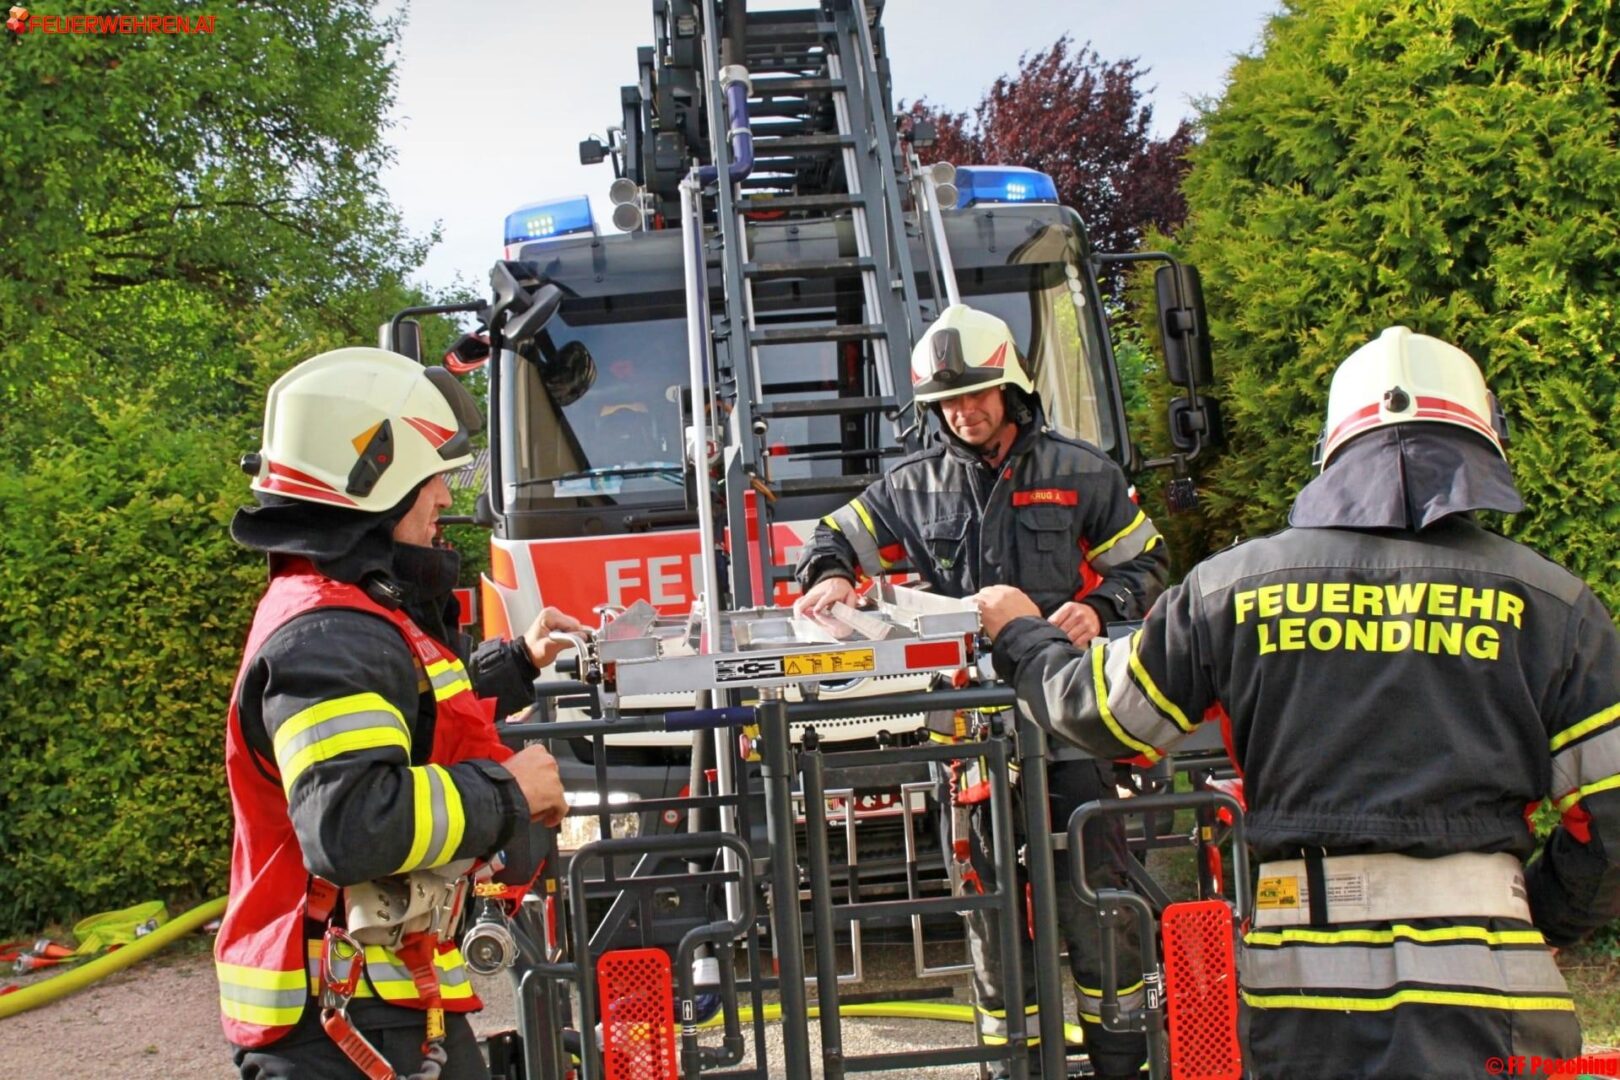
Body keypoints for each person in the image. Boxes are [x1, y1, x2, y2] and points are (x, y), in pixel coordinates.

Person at [976, 326, 1620, 1080]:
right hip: (1492, 996)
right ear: (1484, 443)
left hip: (1302, 997)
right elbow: (1611, 819)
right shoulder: (1557, 608)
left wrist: (1023, 633)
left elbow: (1104, 714)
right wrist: (1541, 914)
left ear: (1333, 453)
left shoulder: (1232, 589)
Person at [795, 304, 1168, 1078]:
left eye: (975, 394)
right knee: (987, 908)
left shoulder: (1081, 471)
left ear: (1011, 388)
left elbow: (1148, 564)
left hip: (1068, 721)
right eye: (947, 401)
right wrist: (830, 574)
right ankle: (1011, 1065)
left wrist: (1101, 608)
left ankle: (1120, 1058)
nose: (963, 412)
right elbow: (831, 535)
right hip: (967, 735)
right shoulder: (912, 485)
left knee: (1095, 898)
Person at [217, 347, 583, 1079]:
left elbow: (419, 715)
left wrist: (519, 660)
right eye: (433, 478)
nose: (446, 498)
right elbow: (352, 823)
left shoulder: (345, 613)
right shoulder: (331, 635)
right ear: (375, 476)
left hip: (371, 1007)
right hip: (346, 1020)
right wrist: (509, 791)